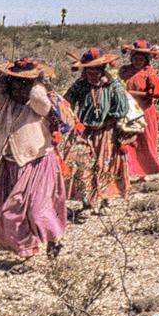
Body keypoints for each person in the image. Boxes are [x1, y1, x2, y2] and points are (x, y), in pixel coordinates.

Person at [0, 57, 78, 260]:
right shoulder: (7, 101)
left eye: (23, 85)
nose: (18, 90)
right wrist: (8, 76)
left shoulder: (39, 103)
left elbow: (38, 97)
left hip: (38, 162)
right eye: (14, 85)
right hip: (12, 162)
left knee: (37, 210)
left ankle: (54, 239)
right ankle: (26, 253)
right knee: (13, 212)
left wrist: (35, 81)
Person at [62, 47, 133, 219]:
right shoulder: (80, 85)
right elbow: (66, 103)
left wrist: (106, 122)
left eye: (95, 71)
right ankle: (86, 203)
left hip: (106, 132)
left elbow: (122, 109)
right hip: (83, 132)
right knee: (81, 166)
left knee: (105, 166)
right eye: (89, 71)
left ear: (103, 69)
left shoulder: (114, 86)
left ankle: (104, 200)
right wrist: (72, 120)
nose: (92, 74)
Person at [118, 39, 159, 179]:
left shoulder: (149, 73)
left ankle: (147, 171)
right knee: (128, 139)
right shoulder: (124, 71)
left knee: (145, 140)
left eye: (141, 58)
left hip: (144, 112)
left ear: (146, 59)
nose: (138, 61)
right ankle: (129, 170)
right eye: (135, 58)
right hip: (126, 111)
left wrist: (132, 94)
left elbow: (158, 93)